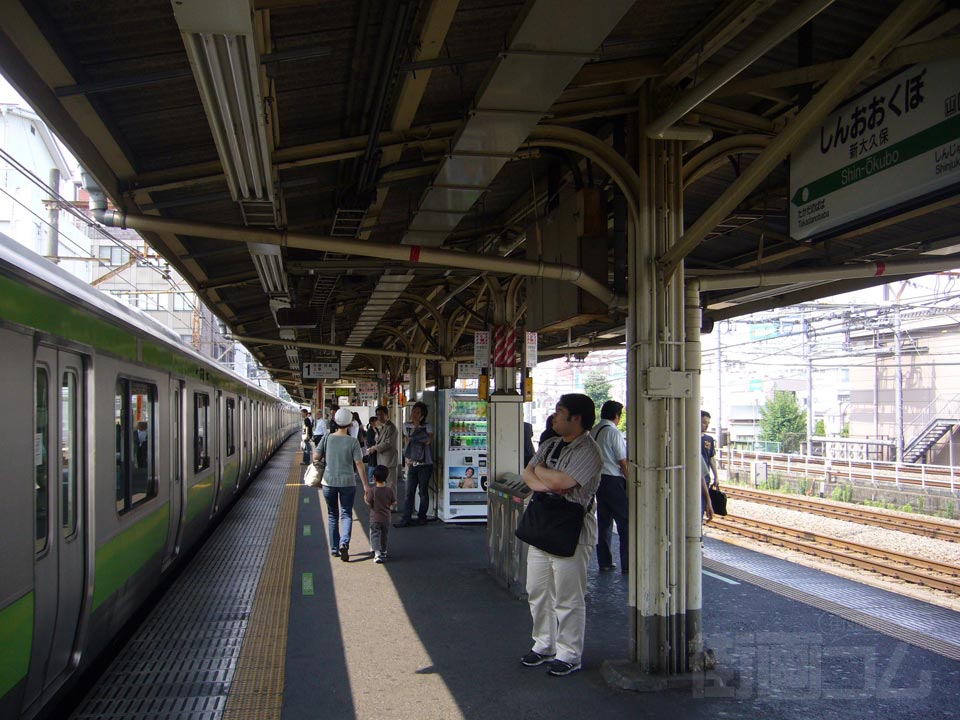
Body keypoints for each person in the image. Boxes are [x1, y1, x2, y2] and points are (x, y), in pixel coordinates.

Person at [519, 393, 602, 677]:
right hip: (543, 527)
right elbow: (527, 474)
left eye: (559, 411)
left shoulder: (589, 451)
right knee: (537, 590)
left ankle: (569, 654)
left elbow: (564, 481)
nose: (554, 416)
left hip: (573, 532)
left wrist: (541, 474)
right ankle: (544, 644)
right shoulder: (551, 444)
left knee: (568, 597)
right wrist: (547, 482)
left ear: (576, 418)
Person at [320, 407, 367, 562]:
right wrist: (366, 486)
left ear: (335, 420)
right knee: (346, 514)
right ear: (350, 423)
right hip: (348, 482)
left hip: (329, 482)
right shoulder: (353, 442)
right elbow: (359, 464)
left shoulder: (327, 438)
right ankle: (344, 543)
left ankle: (334, 549)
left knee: (332, 515)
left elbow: (316, 456)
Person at [590, 400, 629, 573]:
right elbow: (622, 462)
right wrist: (630, 480)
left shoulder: (594, 430)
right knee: (625, 522)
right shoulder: (613, 432)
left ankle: (604, 561)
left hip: (598, 480)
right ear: (616, 416)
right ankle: (628, 564)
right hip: (614, 480)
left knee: (604, 522)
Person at [395, 401, 433, 528]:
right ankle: (406, 517)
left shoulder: (428, 426)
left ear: (423, 415)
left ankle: (422, 517)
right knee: (409, 491)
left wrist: (417, 427)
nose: (414, 414)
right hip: (412, 463)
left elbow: (428, 441)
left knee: (423, 491)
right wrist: (407, 457)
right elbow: (407, 442)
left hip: (425, 463)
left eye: (418, 412)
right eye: (413, 411)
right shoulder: (406, 425)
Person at [366, 405, 399, 502]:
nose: (379, 417)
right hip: (383, 460)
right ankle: (386, 503)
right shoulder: (383, 427)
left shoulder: (391, 427)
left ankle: (392, 504)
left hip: (389, 460)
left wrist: (374, 448)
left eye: (381, 414)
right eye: (377, 415)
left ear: (387, 415)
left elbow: (388, 443)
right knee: (384, 484)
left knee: (390, 484)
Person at [365, 465, 397, 563]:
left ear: (374, 478)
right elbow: (394, 502)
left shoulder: (372, 491)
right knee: (384, 535)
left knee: (375, 535)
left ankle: (377, 553)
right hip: (386, 518)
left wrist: (365, 497)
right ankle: (384, 551)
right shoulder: (389, 490)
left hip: (375, 518)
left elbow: (368, 502)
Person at [701, 411, 719, 487]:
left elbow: (711, 458)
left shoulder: (709, 439)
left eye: (708, 423)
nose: (707, 425)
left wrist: (716, 476)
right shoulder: (688, 439)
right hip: (693, 478)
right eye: (704, 422)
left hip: (706, 478)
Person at [364, 416, 379, 485]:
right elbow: (369, 440)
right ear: (371, 422)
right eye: (375, 421)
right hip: (371, 448)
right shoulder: (369, 431)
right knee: (372, 464)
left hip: (376, 448)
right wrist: (375, 444)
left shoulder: (376, 429)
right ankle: (370, 479)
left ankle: (374, 478)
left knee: (375, 463)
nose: (377, 422)